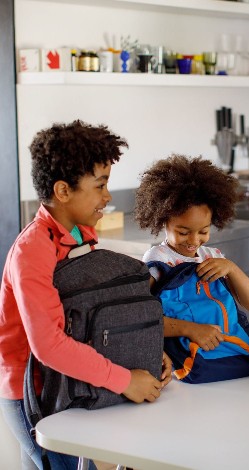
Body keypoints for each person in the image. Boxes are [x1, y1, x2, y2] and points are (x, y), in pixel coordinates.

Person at [0, 120, 172, 470]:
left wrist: (148, 357)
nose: (108, 196)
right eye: (100, 185)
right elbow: (48, 345)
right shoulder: (32, 250)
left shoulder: (80, 233)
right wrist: (126, 381)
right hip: (32, 389)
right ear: (63, 191)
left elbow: (94, 319)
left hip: (64, 381)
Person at [134, 154, 249, 380]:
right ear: (163, 220)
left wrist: (231, 268)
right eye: (183, 232)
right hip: (181, 367)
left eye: (203, 231)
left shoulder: (212, 257)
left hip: (228, 356)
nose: (193, 241)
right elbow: (140, 319)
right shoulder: (157, 260)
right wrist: (190, 329)